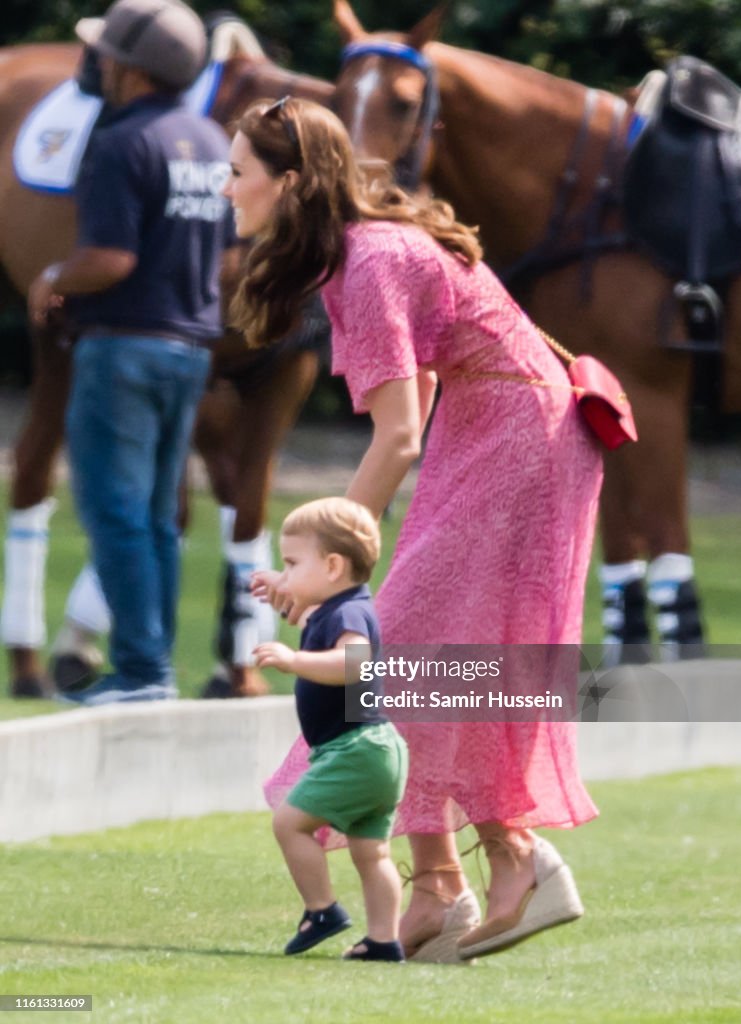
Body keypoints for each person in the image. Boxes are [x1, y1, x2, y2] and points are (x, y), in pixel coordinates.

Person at [223, 96, 602, 963]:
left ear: (286, 183)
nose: (225, 185)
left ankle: (517, 860)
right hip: (491, 428)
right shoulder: (349, 257)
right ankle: (438, 890)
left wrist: (331, 561)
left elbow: (397, 432)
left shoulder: (368, 260)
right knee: (405, 654)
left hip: (519, 436)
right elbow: (417, 398)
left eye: (238, 169)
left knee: (410, 656)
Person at [27, 0, 236, 705]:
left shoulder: (121, 141)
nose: (97, 64)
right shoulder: (210, 140)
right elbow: (225, 253)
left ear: (131, 69)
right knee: (152, 514)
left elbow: (111, 258)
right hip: (189, 351)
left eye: (107, 54)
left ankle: (143, 673)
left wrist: (56, 277)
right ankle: (155, 667)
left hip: (122, 348)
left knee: (115, 511)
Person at [252, 497, 408, 961]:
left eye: (292, 563)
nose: (287, 573)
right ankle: (383, 940)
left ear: (333, 565)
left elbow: (353, 666)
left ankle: (321, 910)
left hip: (355, 748)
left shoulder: (347, 616)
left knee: (290, 824)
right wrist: (279, 583)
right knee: (371, 853)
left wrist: (292, 659)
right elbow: (303, 606)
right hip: (378, 749)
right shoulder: (338, 605)